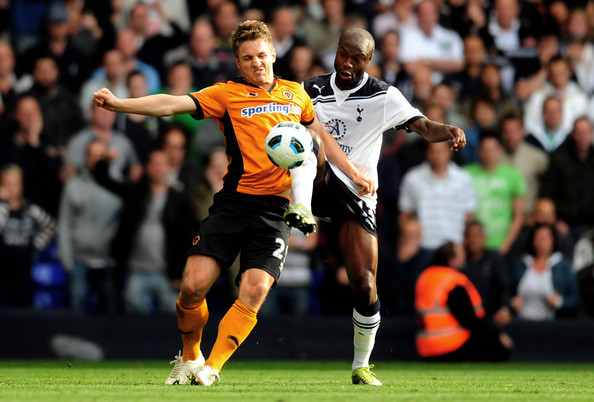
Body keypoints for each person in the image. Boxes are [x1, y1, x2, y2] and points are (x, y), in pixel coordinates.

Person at [92, 20, 374, 386]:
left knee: (255, 289)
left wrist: (352, 171)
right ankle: (191, 356)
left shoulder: (296, 95)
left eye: (261, 55)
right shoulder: (226, 94)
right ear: (238, 64)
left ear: (273, 54)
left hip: (275, 210)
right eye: (248, 58)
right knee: (192, 288)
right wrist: (119, 104)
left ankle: (212, 368)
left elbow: (321, 138)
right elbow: (171, 104)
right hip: (233, 204)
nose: (257, 63)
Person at [302, 28, 466, 385]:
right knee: (308, 140)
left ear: (369, 61)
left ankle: (361, 365)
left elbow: (422, 126)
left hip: (357, 192)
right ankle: (300, 208)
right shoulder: (309, 89)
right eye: (343, 53)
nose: (346, 63)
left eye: (356, 58)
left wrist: (447, 128)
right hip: (315, 182)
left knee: (364, 282)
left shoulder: (383, 95)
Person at [94, 149, 198, 315]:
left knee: (172, 322)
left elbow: (187, 239)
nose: (158, 168)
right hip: (136, 270)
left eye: (162, 164)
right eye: (154, 163)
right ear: (147, 167)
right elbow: (106, 181)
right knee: (134, 320)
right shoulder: (135, 192)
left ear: (170, 168)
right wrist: (103, 162)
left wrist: (180, 274)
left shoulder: (180, 199)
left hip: (167, 273)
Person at [414, 241, 513, 362]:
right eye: (460, 253)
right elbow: (469, 320)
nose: (464, 256)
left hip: (424, 347)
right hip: (449, 346)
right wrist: (497, 334)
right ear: (451, 260)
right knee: (498, 346)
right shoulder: (452, 282)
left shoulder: (425, 277)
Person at [58, 140, 123, 315]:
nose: (96, 159)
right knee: (76, 317)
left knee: (112, 317)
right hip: (79, 261)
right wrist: (67, 260)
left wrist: (119, 257)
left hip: (108, 261)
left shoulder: (119, 186)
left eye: (101, 155)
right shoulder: (73, 185)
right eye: (92, 155)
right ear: (86, 158)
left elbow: (127, 224)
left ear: (108, 157)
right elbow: (64, 223)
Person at [399, 141, 476, 253]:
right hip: (422, 246)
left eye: (441, 151)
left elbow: (468, 216)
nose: (438, 155)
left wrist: (463, 246)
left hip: (453, 246)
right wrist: (408, 242)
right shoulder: (412, 178)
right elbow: (405, 215)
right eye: (434, 151)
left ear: (449, 152)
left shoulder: (463, 179)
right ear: (427, 153)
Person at [0, 164, 57, 308]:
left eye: (15, 183)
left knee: (24, 316)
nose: (12, 188)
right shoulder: (1, 209)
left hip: (25, 272)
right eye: (8, 184)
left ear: (22, 185)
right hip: (2, 273)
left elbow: (51, 227)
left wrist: (35, 245)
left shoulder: (31, 210)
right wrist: (3, 203)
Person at [464, 131, 526, 254]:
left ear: (500, 151)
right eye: (485, 149)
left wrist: (506, 245)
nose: (488, 154)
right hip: (473, 244)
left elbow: (519, 216)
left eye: (492, 149)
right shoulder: (465, 175)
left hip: (502, 242)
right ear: (479, 151)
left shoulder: (513, 176)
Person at [510, 223, 579, 320]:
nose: (541, 242)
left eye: (545, 238)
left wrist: (560, 302)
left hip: (550, 323)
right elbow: (507, 292)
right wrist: (512, 302)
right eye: (538, 238)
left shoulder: (563, 265)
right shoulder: (521, 264)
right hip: (522, 321)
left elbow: (575, 299)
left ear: (553, 240)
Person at [463, 221, 512, 326]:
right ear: (465, 240)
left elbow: (504, 286)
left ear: (485, 238)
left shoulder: (495, 258)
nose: (474, 239)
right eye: (470, 236)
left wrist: (504, 308)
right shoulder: (461, 262)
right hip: (465, 319)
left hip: (492, 319)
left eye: (478, 235)